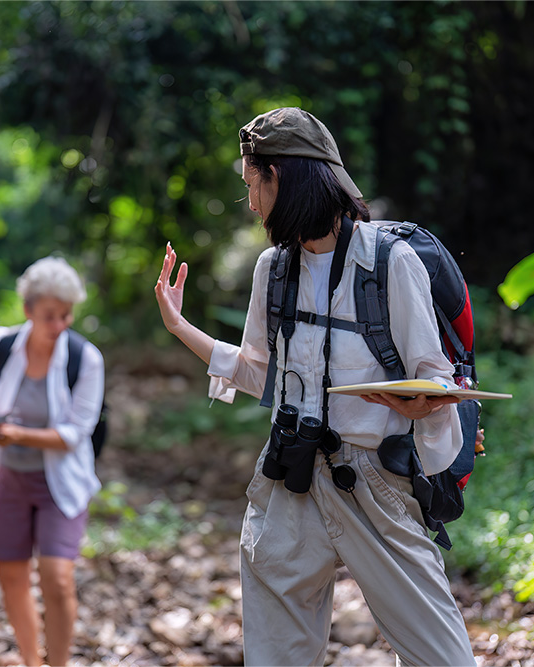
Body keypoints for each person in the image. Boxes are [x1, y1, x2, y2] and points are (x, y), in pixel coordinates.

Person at [154, 107, 476, 666]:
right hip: (290, 478)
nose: (250, 202)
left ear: (278, 176)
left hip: (377, 481)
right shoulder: (272, 268)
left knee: (442, 660)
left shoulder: (390, 261)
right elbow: (261, 374)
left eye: (252, 184)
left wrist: (420, 403)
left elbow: (436, 376)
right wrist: (181, 328)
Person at [0, 256, 103, 667]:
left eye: (67, 315)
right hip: (9, 479)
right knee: (11, 575)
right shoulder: (0, 347)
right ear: (28, 310)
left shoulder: (84, 358)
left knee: (57, 577)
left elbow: (75, 433)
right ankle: (31, 660)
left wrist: (19, 434)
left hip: (59, 484)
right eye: (50, 316)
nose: (60, 325)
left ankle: (59, 662)